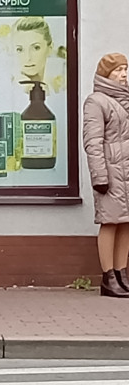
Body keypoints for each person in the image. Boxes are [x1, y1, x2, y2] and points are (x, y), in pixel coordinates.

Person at [83, 53, 129, 298]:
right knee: (110, 222)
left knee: (126, 223)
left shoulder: (126, 99)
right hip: (111, 173)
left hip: (127, 172)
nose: (123, 74)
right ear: (106, 74)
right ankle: (108, 278)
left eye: (125, 69)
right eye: (118, 70)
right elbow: (93, 142)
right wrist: (99, 176)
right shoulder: (96, 101)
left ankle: (122, 275)